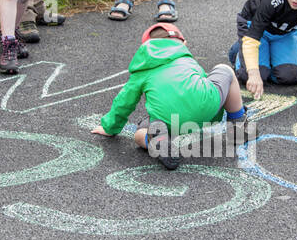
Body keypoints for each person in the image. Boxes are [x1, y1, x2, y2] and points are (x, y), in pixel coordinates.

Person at [91, 22, 245, 170]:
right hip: (206, 107)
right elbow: (203, 82)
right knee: (225, 70)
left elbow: (124, 102)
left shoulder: (142, 68)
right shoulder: (186, 59)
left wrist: (110, 127)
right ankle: (239, 126)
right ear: (183, 43)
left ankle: (158, 141)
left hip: (168, 120)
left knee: (139, 134)